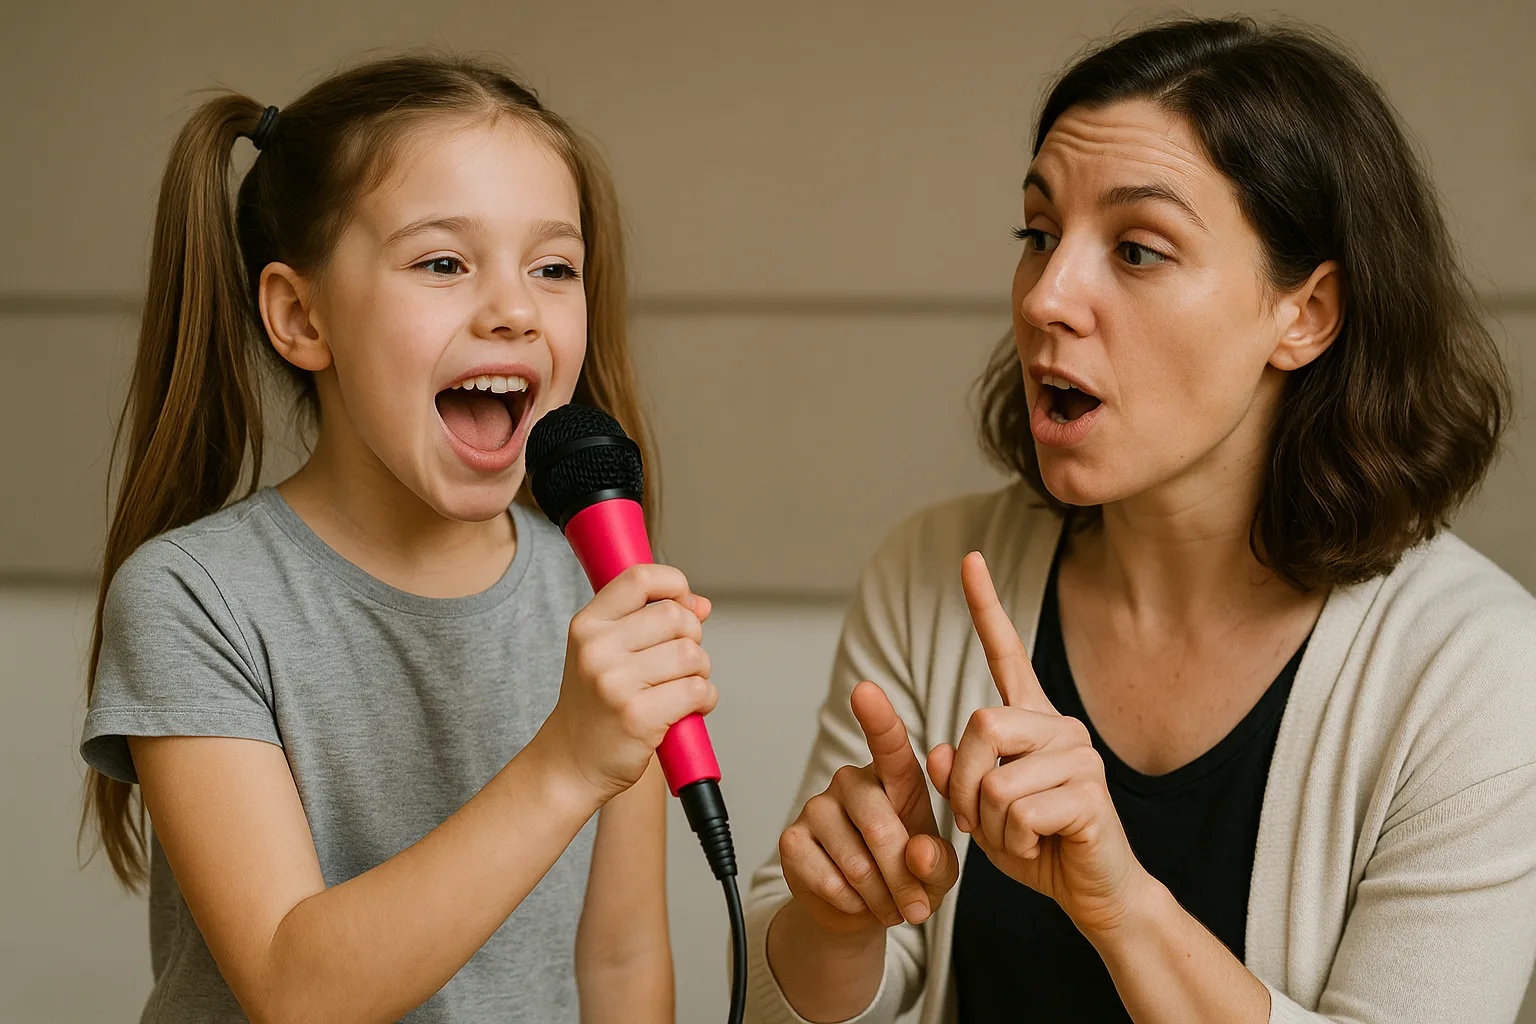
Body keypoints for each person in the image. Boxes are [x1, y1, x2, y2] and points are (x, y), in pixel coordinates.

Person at [746, 16, 1536, 1024]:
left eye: (1137, 249)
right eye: (1039, 236)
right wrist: (834, 920)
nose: (1046, 298)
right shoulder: (935, 570)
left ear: (1306, 314)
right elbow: (780, 998)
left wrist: (1121, 906)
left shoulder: (1481, 672)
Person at [78, 55, 717, 1023]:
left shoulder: (597, 591)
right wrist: (566, 761)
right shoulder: (195, 595)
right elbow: (297, 987)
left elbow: (622, 964)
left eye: (553, 268)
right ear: (301, 316)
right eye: (444, 263)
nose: (513, 308)